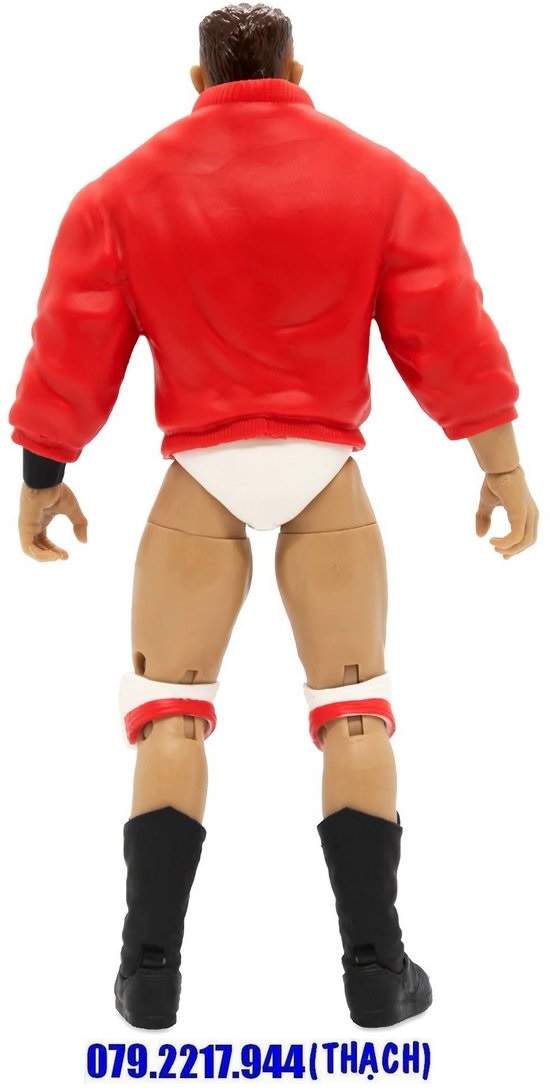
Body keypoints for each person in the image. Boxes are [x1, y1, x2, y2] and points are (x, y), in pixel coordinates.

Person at [10, 3, 537, 1030]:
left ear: (195, 81)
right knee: (354, 708)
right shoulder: (381, 180)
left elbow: (71, 343)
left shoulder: (121, 192)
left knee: (168, 709)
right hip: (324, 468)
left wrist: (42, 475)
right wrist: (502, 467)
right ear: (297, 71)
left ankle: (148, 973)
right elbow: (450, 332)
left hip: (198, 472)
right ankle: (376, 969)